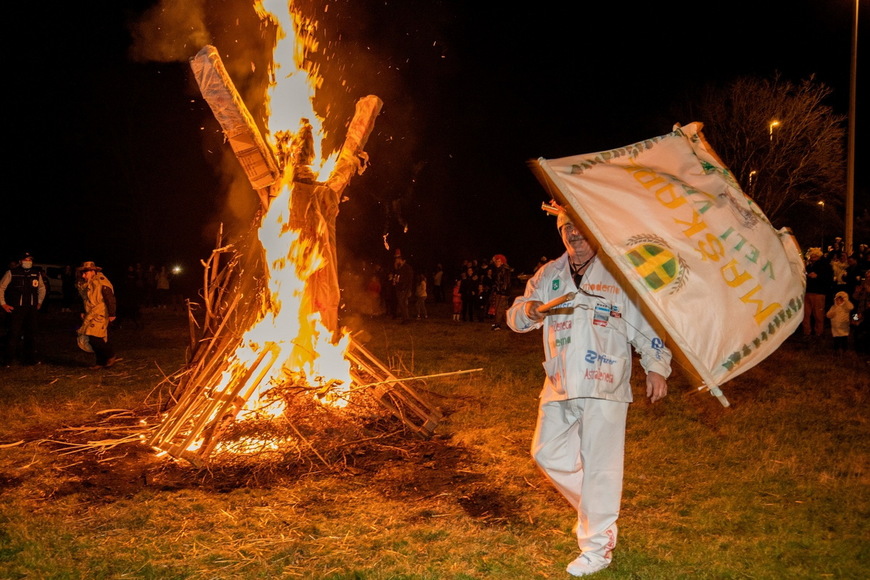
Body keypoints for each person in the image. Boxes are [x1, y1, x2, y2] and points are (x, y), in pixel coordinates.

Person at [507, 209, 671, 577]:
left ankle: (597, 547)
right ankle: (597, 514)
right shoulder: (549, 274)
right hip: (560, 381)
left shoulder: (619, 274)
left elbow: (647, 327)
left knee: (601, 468)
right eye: (566, 228)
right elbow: (515, 318)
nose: (574, 234)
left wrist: (657, 367)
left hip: (605, 382)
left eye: (579, 227)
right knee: (546, 454)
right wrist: (532, 310)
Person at [0, 252, 47, 365]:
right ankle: (8, 359)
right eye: (26, 259)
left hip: (31, 309)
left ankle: (30, 359)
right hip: (16, 308)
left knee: (31, 334)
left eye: (30, 259)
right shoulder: (12, 273)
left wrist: (39, 302)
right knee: (13, 333)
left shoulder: (36, 273)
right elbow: (1, 287)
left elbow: (41, 288)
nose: (28, 261)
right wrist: (3, 304)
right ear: (20, 261)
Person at [76, 261, 119, 369]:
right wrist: (83, 311)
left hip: (100, 312)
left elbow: (109, 298)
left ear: (92, 271)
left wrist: (112, 313)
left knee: (96, 338)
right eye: (82, 273)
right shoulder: (88, 283)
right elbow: (86, 299)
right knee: (92, 338)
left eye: (85, 273)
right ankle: (100, 362)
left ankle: (110, 355)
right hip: (91, 313)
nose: (83, 275)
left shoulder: (102, 282)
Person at [802, 247, 833, 340]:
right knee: (806, 314)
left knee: (818, 314)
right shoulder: (808, 266)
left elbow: (828, 279)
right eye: (811, 255)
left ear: (818, 256)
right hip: (808, 292)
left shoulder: (825, 266)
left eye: (814, 255)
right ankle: (807, 332)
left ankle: (819, 332)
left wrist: (818, 276)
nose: (812, 256)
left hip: (819, 293)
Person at [489, 254, 512, 330]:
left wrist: (503, 292)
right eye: (496, 261)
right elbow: (497, 282)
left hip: (503, 293)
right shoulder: (498, 269)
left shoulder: (505, 269)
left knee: (499, 309)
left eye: (498, 261)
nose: (497, 263)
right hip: (499, 292)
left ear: (502, 262)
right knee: (504, 310)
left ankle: (497, 325)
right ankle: (510, 325)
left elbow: (506, 282)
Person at [392, 255, 414, 324]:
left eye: (396, 260)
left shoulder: (407, 268)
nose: (395, 262)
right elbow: (397, 277)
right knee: (402, 304)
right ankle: (405, 318)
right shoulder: (399, 268)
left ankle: (406, 319)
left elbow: (408, 279)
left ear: (400, 259)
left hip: (404, 288)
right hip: (400, 288)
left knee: (403, 303)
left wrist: (406, 287)